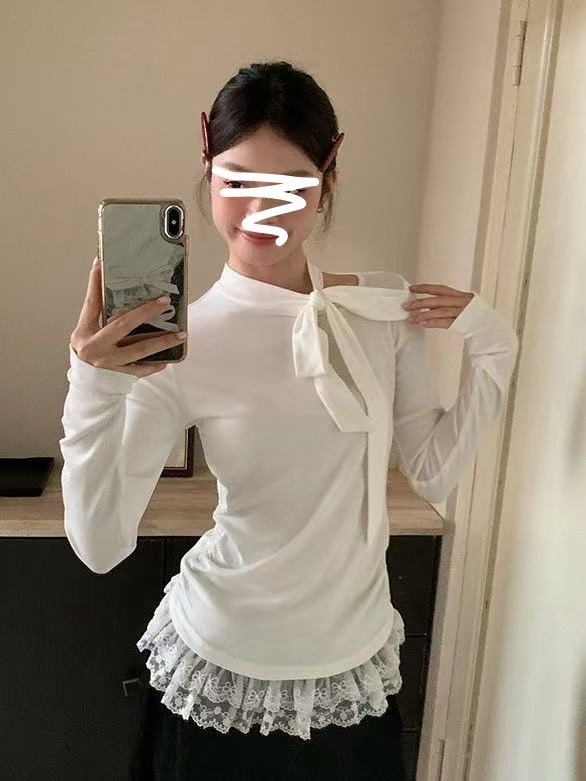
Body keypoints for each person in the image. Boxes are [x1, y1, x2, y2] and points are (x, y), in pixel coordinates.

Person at [59, 60, 519, 780]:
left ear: (327, 178)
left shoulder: (380, 307)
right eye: (240, 181)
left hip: (351, 671)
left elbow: (431, 469)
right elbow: (100, 544)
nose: (262, 210)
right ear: (207, 166)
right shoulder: (183, 345)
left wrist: (494, 346)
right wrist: (91, 386)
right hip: (218, 674)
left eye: (290, 185)